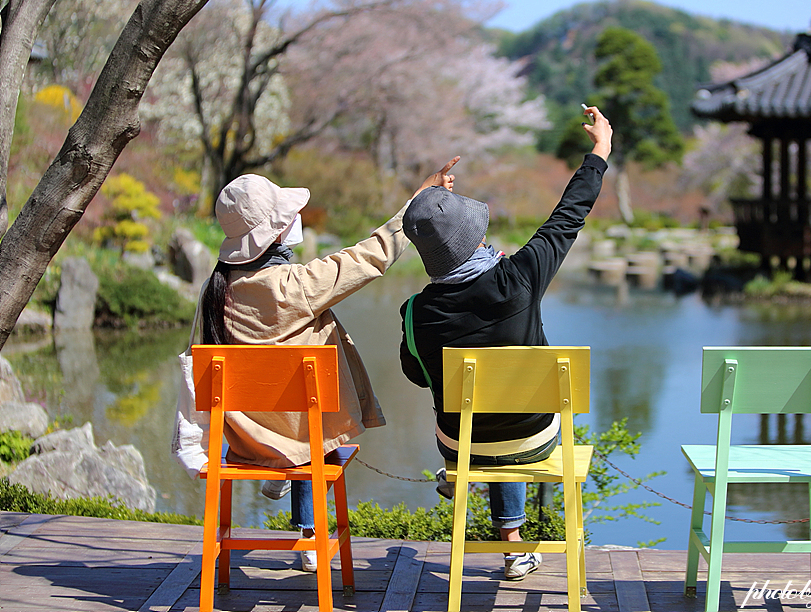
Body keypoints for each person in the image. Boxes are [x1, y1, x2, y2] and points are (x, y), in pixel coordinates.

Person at [186, 158, 458, 572]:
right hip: (303, 434)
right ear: (275, 233)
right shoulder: (292, 286)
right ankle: (311, 536)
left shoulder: (214, 289)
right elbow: (370, 256)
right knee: (315, 415)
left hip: (244, 438)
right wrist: (418, 200)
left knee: (294, 385)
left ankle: (289, 498)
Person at [399, 106, 612, 580]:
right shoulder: (519, 277)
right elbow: (566, 218)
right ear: (476, 237)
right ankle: (515, 547)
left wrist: (424, 203)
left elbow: (417, 375)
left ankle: (500, 529)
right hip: (532, 438)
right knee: (508, 413)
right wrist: (600, 151)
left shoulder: (416, 312)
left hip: (459, 443)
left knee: (477, 408)